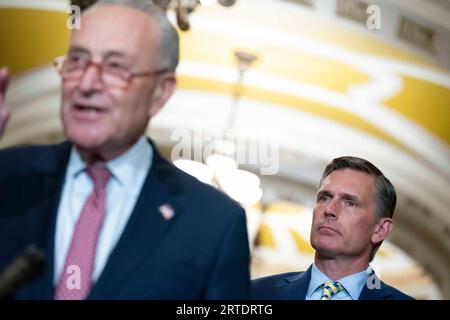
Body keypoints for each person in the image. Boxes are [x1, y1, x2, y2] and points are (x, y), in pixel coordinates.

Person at [0, 0, 250, 299]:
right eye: (77, 61)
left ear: (160, 91)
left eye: (115, 67)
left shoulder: (215, 224)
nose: (87, 83)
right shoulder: (7, 176)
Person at [252, 156, 414, 300]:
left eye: (350, 203)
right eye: (324, 198)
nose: (329, 210)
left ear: (380, 230)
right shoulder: (253, 293)